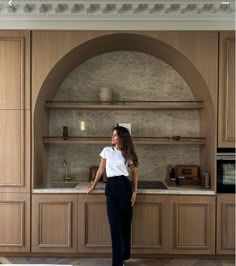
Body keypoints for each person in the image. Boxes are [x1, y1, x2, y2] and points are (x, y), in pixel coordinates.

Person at [87, 126, 139, 266]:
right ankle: (117, 263)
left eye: (115, 135)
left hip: (124, 187)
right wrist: (93, 185)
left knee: (125, 225)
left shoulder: (128, 153)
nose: (112, 137)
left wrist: (135, 191)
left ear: (122, 137)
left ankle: (124, 256)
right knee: (114, 226)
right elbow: (100, 170)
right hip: (111, 187)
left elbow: (134, 173)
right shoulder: (106, 151)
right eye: (113, 134)